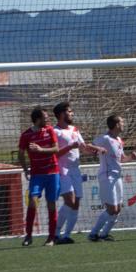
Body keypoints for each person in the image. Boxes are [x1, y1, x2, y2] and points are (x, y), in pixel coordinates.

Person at [53, 102, 106, 244]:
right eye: (69, 111)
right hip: (63, 170)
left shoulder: (75, 129)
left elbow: (83, 147)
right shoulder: (55, 132)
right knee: (70, 201)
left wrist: (96, 149)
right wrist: (70, 146)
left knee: (76, 204)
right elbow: (54, 154)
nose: (72, 114)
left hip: (76, 169)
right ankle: (55, 233)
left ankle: (66, 236)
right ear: (61, 114)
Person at [88, 115, 136, 242]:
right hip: (107, 176)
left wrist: (131, 157)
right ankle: (93, 233)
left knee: (118, 209)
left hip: (117, 177)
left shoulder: (119, 140)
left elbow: (122, 159)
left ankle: (104, 234)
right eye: (122, 122)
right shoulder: (105, 138)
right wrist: (97, 148)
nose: (123, 124)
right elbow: (87, 146)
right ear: (116, 125)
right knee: (112, 209)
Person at [18, 107, 60, 246]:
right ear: (37, 119)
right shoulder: (26, 135)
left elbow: (56, 149)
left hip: (52, 173)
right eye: (45, 117)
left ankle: (51, 238)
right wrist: (25, 169)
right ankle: (28, 236)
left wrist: (41, 150)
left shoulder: (49, 130)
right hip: (37, 174)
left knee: (51, 204)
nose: (47, 119)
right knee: (32, 201)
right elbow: (20, 154)